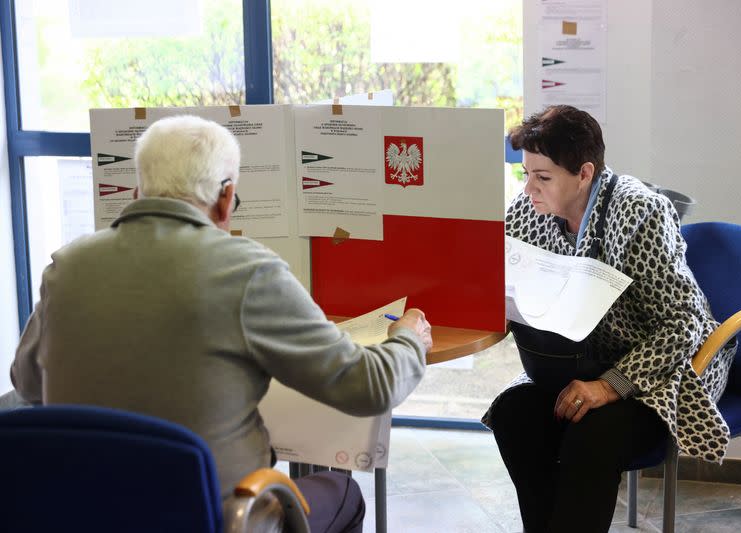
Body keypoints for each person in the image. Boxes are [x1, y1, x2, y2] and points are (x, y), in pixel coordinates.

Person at [11, 114, 433, 533]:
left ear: (137, 191)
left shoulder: (66, 266)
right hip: (220, 519)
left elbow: (28, 383)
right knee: (343, 494)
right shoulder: (249, 271)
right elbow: (371, 388)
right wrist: (408, 339)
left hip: (82, 513)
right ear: (226, 197)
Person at [483, 105, 735, 532]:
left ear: (584, 173)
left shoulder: (641, 213)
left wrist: (611, 385)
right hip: (572, 366)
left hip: (659, 371)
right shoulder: (527, 211)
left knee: (591, 436)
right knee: (513, 414)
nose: (529, 190)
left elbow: (685, 322)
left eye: (542, 177)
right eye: (526, 174)